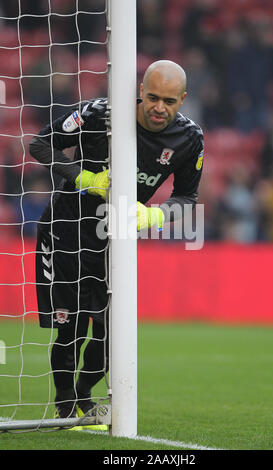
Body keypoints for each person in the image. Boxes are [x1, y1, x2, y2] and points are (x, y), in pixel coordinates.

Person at [29, 60, 204, 428]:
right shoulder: (100, 113)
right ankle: (65, 408)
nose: (160, 107)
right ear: (140, 90)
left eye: (169, 101)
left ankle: (84, 396)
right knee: (71, 327)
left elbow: (187, 197)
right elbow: (40, 143)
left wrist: (153, 216)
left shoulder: (190, 140)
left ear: (182, 99)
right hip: (67, 230)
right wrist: (85, 178)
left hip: (116, 240)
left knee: (113, 330)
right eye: (152, 97)